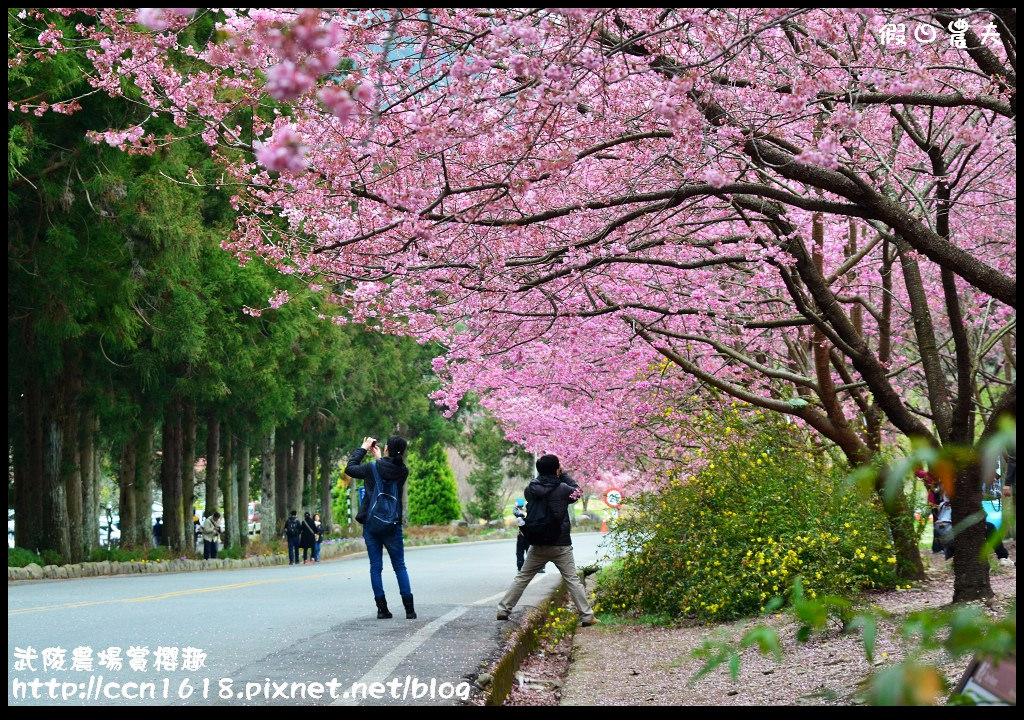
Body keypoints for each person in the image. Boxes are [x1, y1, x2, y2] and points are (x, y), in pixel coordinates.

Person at [497, 454, 598, 626]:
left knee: (522, 578)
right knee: (572, 580)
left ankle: (503, 609)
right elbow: (578, 493)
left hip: (537, 543)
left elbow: (536, 497)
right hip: (561, 544)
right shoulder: (564, 489)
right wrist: (563, 474)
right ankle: (587, 616)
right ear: (557, 469)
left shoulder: (531, 489)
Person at [349, 435, 416, 620]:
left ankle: (382, 609)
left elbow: (350, 469)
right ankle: (409, 610)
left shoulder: (371, 468)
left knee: (375, 567)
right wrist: (380, 458)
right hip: (392, 525)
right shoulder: (403, 471)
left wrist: (363, 448)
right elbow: (388, 473)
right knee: (400, 566)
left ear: (387, 449)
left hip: (372, 525)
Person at [513, 498, 544, 573]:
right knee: (527, 552)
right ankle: (536, 568)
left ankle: (524, 568)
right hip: (527, 535)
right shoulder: (533, 513)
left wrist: (516, 507)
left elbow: (517, 513)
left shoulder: (524, 514)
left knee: (527, 552)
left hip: (526, 535)